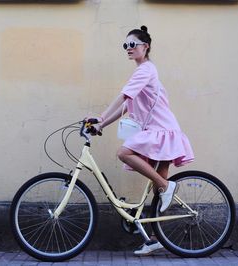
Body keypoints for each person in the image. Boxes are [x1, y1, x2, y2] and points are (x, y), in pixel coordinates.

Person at [86, 26, 194, 255]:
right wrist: (101, 125)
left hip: (162, 130)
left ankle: (167, 186)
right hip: (159, 130)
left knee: (124, 153)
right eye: (125, 45)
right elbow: (127, 105)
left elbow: (124, 95)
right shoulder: (141, 72)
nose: (128, 48)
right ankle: (154, 238)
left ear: (145, 47)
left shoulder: (145, 70)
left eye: (133, 44)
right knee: (158, 194)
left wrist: (101, 116)